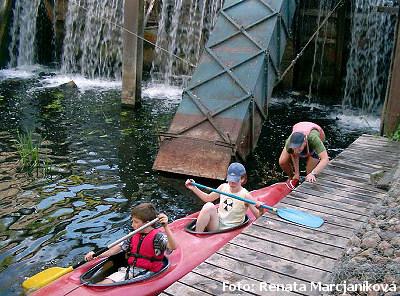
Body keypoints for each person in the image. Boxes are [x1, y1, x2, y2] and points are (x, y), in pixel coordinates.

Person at [84, 203, 177, 284]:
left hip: (149, 272)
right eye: (132, 221)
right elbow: (114, 250)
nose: (132, 225)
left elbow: (173, 246)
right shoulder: (133, 235)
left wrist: (165, 226)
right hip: (131, 270)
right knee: (103, 284)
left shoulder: (158, 237)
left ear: (147, 223)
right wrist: (96, 254)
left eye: (136, 222)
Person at [185, 162, 263, 232]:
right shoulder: (223, 187)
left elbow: (258, 217)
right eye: (230, 179)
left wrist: (261, 209)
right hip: (217, 225)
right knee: (208, 205)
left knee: (209, 206)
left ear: (242, 179)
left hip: (230, 229)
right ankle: (198, 235)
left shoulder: (245, 195)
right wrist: (194, 188)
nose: (232, 182)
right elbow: (207, 198)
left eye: (235, 179)